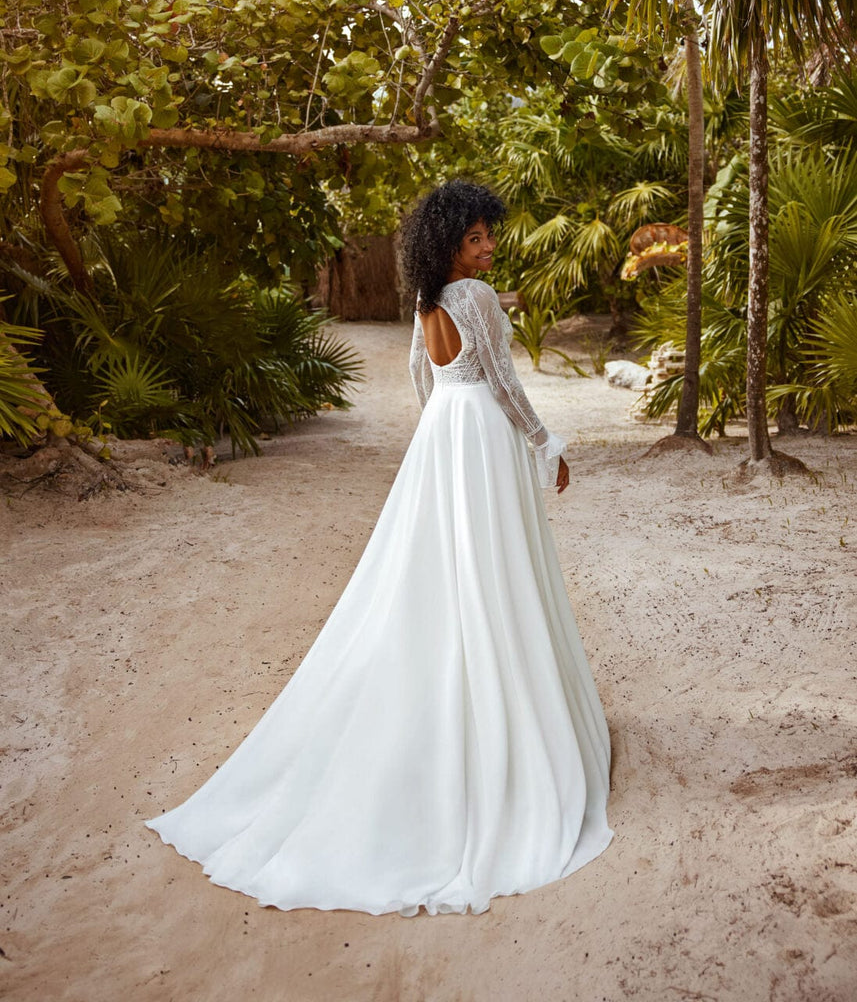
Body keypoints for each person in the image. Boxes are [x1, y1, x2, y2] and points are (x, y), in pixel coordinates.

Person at [146, 179, 613, 916]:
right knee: (494, 570)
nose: (488, 247)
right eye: (475, 239)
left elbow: (420, 380)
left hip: (442, 441)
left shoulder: (427, 300)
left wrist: (440, 439)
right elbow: (502, 382)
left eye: (489, 235)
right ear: (449, 244)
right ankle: (502, 716)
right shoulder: (477, 301)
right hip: (481, 437)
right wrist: (543, 444)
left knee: (437, 572)